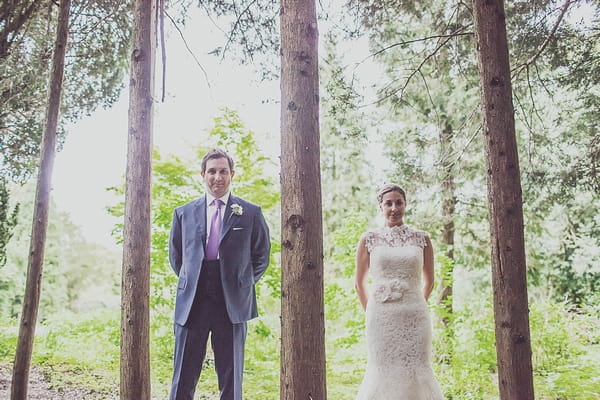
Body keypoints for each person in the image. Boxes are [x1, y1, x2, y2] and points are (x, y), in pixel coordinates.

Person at [168, 148, 271, 400]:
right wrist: (192, 281)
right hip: (193, 302)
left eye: (223, 171)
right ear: (203, 174)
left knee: (231, 376)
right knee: (183, 374)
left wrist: (241, 283)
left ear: (232, 174)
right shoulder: (183, 213)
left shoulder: (250, 212)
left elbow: (261, 255)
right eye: (212, 171)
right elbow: (177, 257)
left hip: (232, 302)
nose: (217, 177)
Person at [354, 184, 443, 399]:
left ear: (405, 204)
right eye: (389, 203)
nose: (394, 208)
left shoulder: (422, 238)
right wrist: (373, 312)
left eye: (399, 202)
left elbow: (429, 281)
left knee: (416, 367)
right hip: (381, 318)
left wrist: (414, 303)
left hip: (415, 317)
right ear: (381, 206)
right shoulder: (369, 239)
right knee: (382, 368)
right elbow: (359, 283)